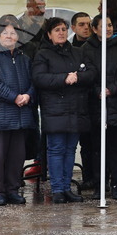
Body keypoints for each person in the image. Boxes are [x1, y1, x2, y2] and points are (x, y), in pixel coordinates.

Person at [32, 17, 97, 204]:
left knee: (70, 150)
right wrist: (63, 78)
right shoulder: (43, 54)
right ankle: (58, 189)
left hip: (76, 108)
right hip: (54, 109)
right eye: (57, 30)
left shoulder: (78, 52)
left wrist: (78, 77)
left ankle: (67, 187)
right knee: (56, 149)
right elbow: (39, 78)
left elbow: (91, 73)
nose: (61, 32)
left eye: (63, 29)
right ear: (49, 34)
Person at [81, 15, 117, 200]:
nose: (108, 29)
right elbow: (85, 73)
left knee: (116, 148)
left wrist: (112, 89)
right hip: (96, 105)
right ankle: (99, 185)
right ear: (94, 29)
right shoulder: (87, 49)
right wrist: (97, 90)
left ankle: (116, 184)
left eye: (110, 25)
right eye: (103, 26)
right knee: (97, 149)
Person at [0, 19, 36, 206]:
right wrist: (15, 97)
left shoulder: (24, 58)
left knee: (17, 156)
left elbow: (33, 82)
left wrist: (28, 96)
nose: (9, 36)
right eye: (5, 33)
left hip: (21, 115)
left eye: (13, 33)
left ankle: (13, 190)